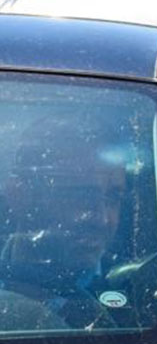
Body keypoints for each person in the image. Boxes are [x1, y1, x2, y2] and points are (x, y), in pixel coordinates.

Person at [0, 117, 130, 330]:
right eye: (81, 196)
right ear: (20, 196)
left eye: (113, 197)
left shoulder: (141, 289)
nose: (102, 219)